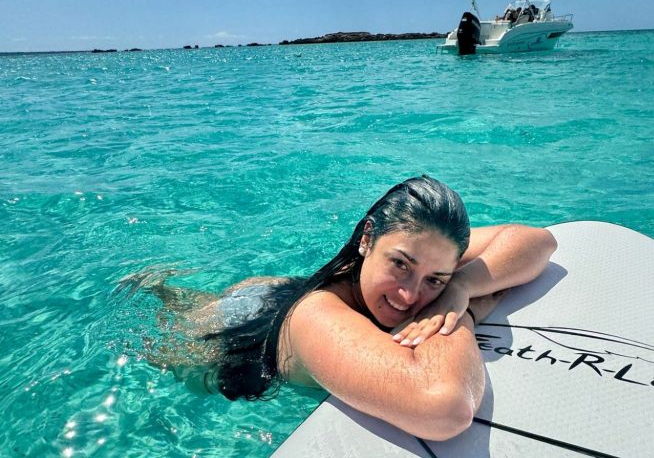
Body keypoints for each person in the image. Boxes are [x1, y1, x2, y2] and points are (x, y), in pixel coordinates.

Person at [122, 175, 556, 441]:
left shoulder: (425, 250)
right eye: (400, 265)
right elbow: (444, 408)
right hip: (242, 327)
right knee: (182, 343)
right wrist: (460, 312)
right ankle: (154, 286)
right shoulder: (317, 318)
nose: (409, 295)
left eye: (432, 280)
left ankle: (162, 285)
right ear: (367, 238)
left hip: (278, 292)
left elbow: (539, 242)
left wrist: (461, 284)